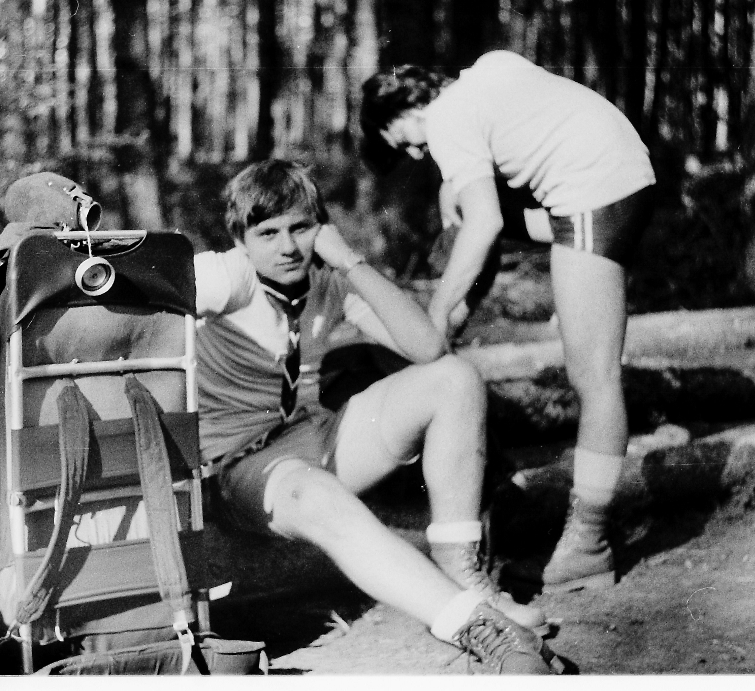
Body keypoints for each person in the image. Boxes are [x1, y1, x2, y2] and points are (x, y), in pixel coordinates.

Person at [193, 159, 564, 674]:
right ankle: (476, 626)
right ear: (241, 239)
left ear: (321, 227)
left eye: (301, 227)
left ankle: (463, 574)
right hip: (243, 466)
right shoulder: (226, 275)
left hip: (312, 436)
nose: (288, 247)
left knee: (454, 378)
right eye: (268, 233)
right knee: (316, 493)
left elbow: (428, 347)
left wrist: (350, 261)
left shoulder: (328, 279)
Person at [360, 51, 657, 593]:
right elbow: (486, 222)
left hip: (595, 191)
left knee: (594, 377)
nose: (416, 153)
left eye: (405, 141)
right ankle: (446, 341)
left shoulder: (446, 118)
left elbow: (485, 224)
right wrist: (452, 315)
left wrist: (432, 314)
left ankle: (588, 544)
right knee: (464, 206)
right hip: (623, 178)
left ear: (409, 106)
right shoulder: (485, 76)